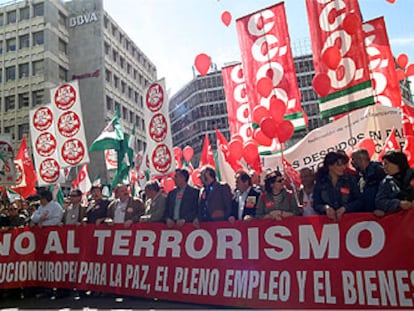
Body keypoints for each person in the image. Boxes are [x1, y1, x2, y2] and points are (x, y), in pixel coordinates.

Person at [313, 151, 363, 221]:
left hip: (349, 221)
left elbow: (359, 201)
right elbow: (316, 204)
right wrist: (326, 208)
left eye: (344, 164)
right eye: (339, 165)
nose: (343, 167)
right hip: (328, 222)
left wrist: (345, 208)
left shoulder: (350, 180)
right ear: (330, 166)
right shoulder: (321, 182)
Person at [375, 150, 414, 216]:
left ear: (397, 163)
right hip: (399, 220)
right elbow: (379, 202)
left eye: (386, 163)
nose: (384, 167)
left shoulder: (412, 175)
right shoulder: (386, 182)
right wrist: (398, 204)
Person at [351, 148, 386, 212]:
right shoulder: (360, 177)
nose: (352, 163)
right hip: (370, 214)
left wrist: (383, 208)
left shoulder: (379, 171)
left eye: (353, 159)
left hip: (382, 214)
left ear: (361, 159)